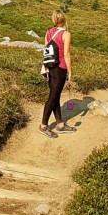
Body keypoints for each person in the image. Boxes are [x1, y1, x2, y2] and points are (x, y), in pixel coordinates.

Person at [39, 9, 76, 138]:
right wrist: (70, 72)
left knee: (55, 95)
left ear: (54, 20)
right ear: (64, 19)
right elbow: (66, 54)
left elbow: (46, 51)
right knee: (53, 97)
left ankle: (60, 124)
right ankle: (43, 126)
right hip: (60, 68)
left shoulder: (48, 33)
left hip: (50, 67)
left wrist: (45, 68)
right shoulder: (66, 34)